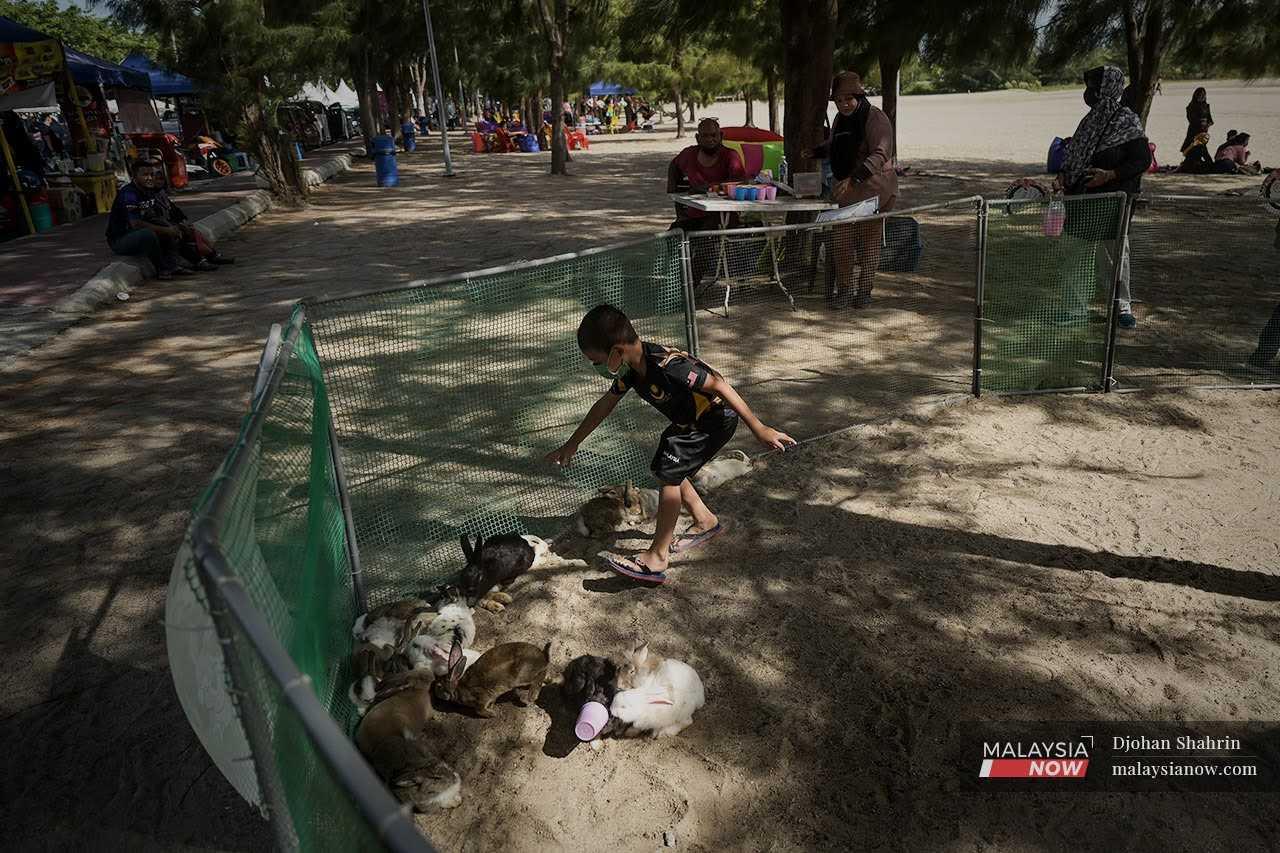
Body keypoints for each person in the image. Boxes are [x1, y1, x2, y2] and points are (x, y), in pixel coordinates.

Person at [547, 305, 796, 582]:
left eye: (597, 361)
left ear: (617, 351)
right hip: (686, 424)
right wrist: (573, 443)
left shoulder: (668, 365)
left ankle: (657, 556)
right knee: (663, 468)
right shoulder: (631, 370)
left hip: (713, 421)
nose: (598, 368)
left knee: (669, 477)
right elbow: (604, 405)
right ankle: (705, 521)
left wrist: (759, 428)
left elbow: (720, 386)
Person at [1054, 65, 1151, 330]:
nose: (1089, 92)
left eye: (1094, 86)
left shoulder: (1126, 120)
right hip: (1082, 202)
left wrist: (1110, 175)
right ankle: (1074, 309)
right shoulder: (1089, 121)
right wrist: (1064, 176)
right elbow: (1075, 156)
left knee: (1114, 258)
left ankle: (1121, 308)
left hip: (1112, 203)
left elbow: (1142, 159)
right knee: (1074, 255)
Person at [805, 71, 897, 309]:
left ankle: (864, 291)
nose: (844, 104)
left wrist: (853, 179)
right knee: (842, 242)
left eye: (848, 99)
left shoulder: (875, 118)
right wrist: (817, 151)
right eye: (839, 100)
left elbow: (881, 153)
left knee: (869, 243)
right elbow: (835, 144)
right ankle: (844, 291)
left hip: (876, 188)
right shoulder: (839, 119)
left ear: (858, 96)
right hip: (847, 189)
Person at [106, 159, 232, 278]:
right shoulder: (128, 194)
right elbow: (136, 224)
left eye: (151, 174)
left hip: (139, 232)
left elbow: (159, 215)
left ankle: (199, 260)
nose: (149, 178)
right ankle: (163, 268)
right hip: (121, 238)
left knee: (175, 229)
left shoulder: (150, 191)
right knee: (149, 234)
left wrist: (177, 227)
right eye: (145, 175)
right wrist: (167, 230)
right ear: (134, 176)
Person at [665, 117, 747, 231]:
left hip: (723, 216)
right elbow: (674, 165)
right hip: (694, 215)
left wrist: (710, 188)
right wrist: (672, 188)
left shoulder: (731, 156)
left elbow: (740, 182)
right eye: (705, 136)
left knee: (706, 234)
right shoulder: (689, 154)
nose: (710, 139)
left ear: (721, 136)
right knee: (673, 233)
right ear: (698, 138)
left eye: (714, 135)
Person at [1181, 87, 1213, 154]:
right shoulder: (1191, 106)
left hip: (1204, 130)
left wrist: (1207, 125)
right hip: (1194, 130)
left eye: (1203, 95)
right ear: (1196, 95)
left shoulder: (1206, 106)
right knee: (1191, 146)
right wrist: (1201, 124)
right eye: (1200, 94)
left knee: (1201, 147)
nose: (1202, 96)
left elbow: (1210, 119)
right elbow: (1191, 119)